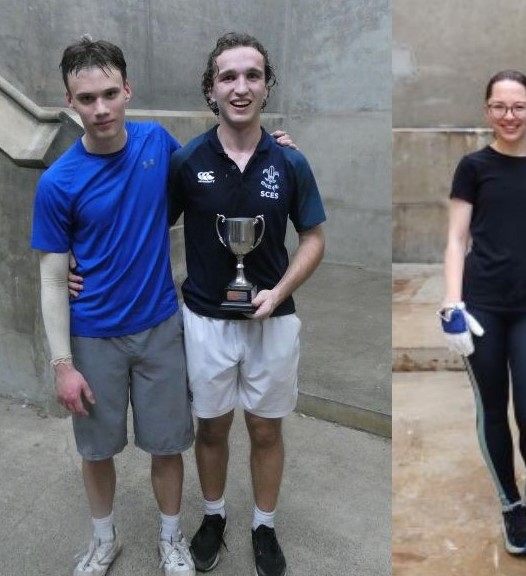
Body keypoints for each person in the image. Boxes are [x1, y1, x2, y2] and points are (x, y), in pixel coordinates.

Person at [30, 36, 196, 576]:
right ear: (69, 102)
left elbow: (209, 183)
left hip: (159, 328)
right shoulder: (59, 183)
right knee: (96, 451)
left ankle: (171, 540)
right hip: (93, 337)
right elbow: (53, 279)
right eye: (86, 99)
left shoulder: (158, 143)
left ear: (127, 90)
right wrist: (62, 365)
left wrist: (270, 147)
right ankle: (105, 541)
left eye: (109, 94)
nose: (100, 109)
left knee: (167, 444)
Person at [167, 32, 326, 576]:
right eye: (228, 77)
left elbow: (314, 238)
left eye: (252, 75)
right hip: (205, 321)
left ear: (267, 85)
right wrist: (79, 263)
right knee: (210, 428)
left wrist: (280, 291)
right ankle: (213, 517)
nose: (241, 87)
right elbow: (146, 230)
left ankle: (264, 524)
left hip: (272, 322)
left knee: (265, 429)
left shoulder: (289, 162)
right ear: (211, 89)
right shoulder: (186, 160)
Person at [439, 70, 526, 556]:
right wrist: (452, 302)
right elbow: (455, 238)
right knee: (492, 408)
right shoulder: (473, 166)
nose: (509, 116)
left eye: (519, 107)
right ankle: (511, 505)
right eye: (500, 107)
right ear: (487, 110)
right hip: (483, 307)